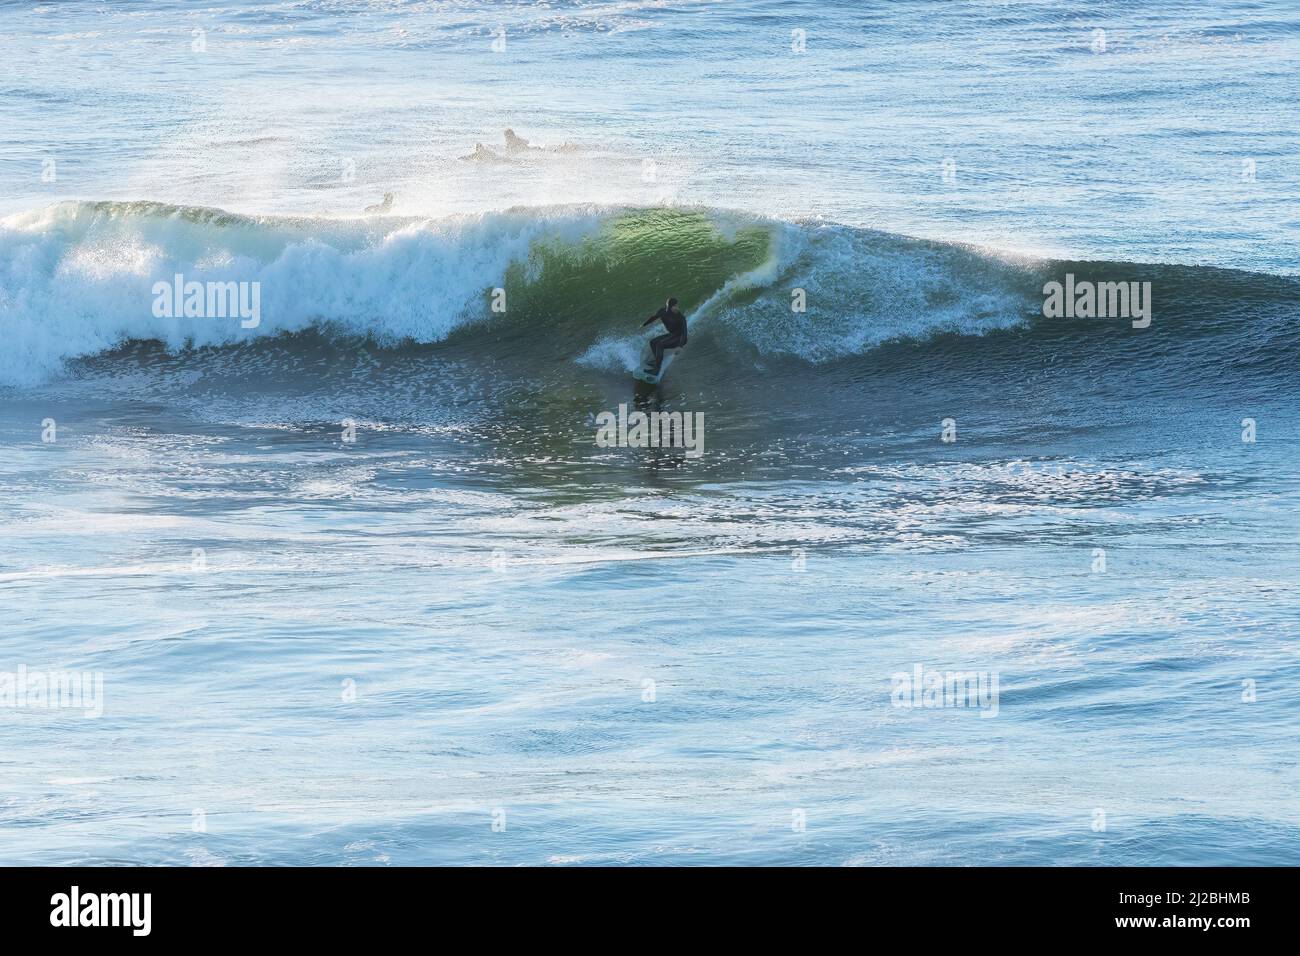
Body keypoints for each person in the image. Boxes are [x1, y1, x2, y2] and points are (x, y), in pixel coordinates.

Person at [640, 297, 688, 374]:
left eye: (677, 306)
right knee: (653, 342)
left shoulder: (680, 317)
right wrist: (644, 324)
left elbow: (685, 333)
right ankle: (657, 362)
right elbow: (654, 317)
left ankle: (656, 370)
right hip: (672, 335)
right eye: (675, 306)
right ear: (670, 306)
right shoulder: (662, 311)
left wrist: (680, 346)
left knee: (660, 344)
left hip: (680, 338)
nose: (677, 308)